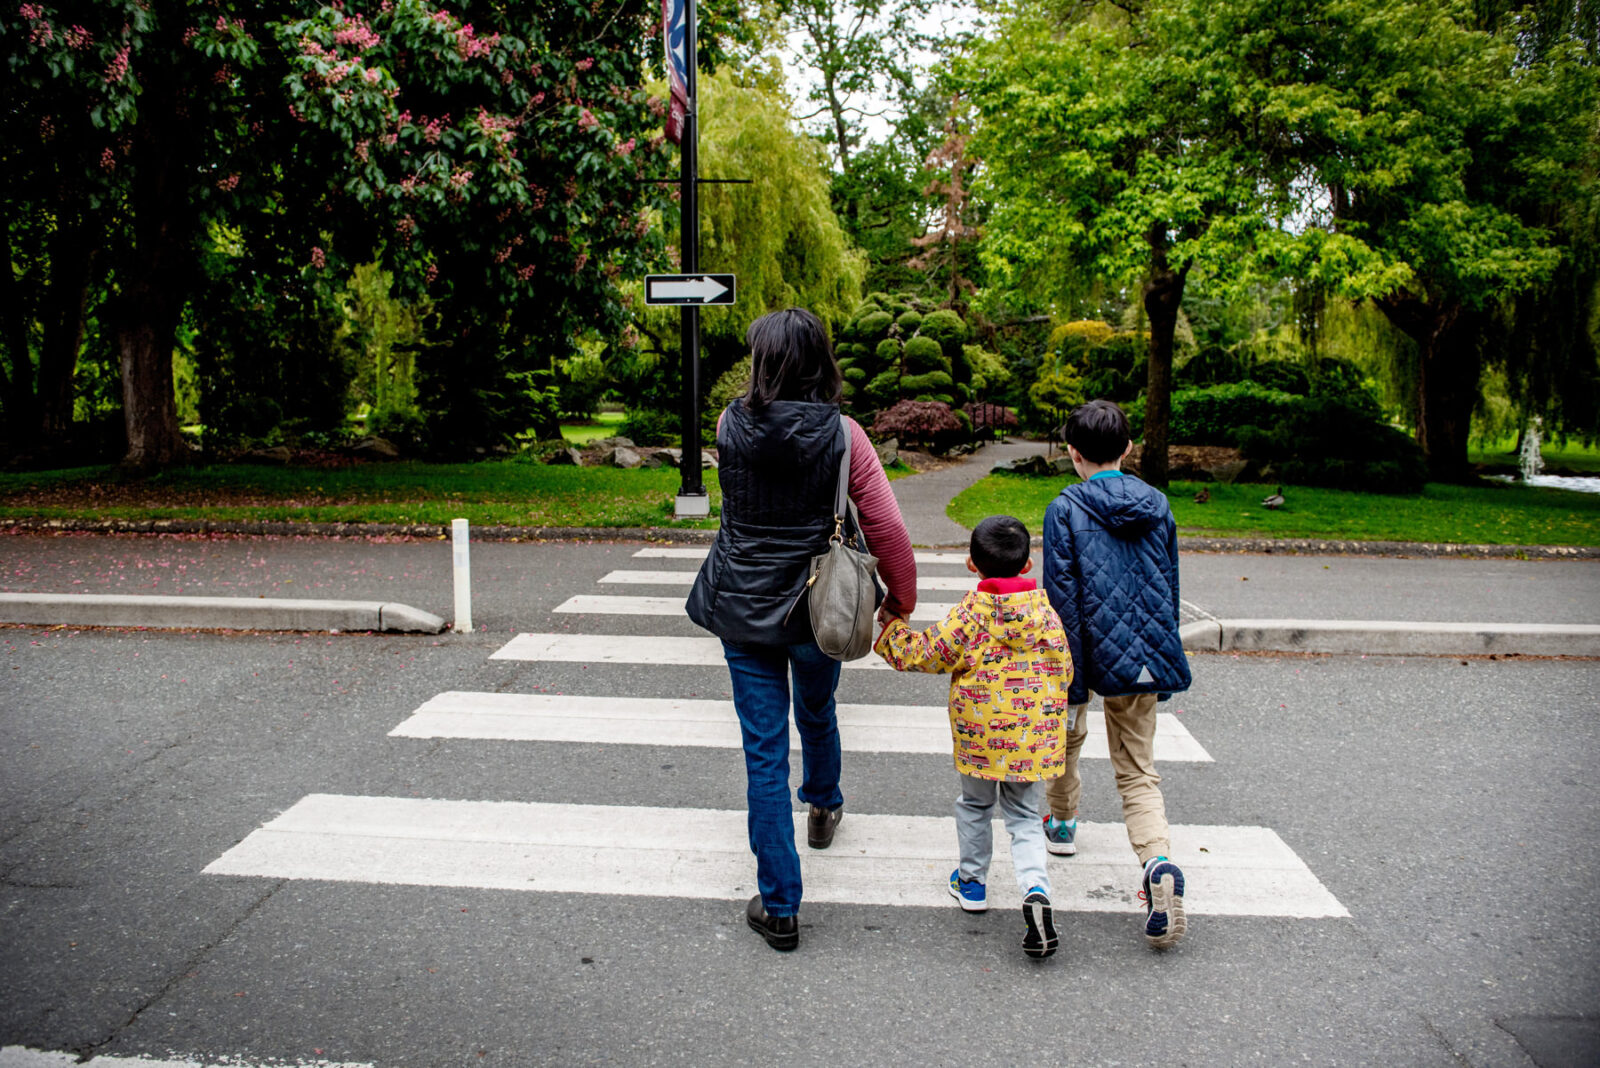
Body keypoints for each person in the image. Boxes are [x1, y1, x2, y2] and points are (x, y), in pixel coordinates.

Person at [685, 307, 917, 952]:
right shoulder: (845, 436)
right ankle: (823, 803)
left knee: (763, 753)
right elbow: (889, 529)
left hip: (743, 606)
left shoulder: (731, 423)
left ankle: (780, 906)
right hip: (822, 608)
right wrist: (902, 599)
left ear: (765, 362)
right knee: (817, 709)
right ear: (821, 360)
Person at [875, 515, 1071, 960]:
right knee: (1023, 813)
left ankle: (973, 882)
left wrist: (890, 631)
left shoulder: (973, 613)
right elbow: (1065, 665)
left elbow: (928, 652)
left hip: (982, 736)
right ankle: (1036, 888)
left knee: (976, 806)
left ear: (971, 565)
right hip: (1032, 738)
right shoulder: (1045, 611)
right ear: (1027, 566)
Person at [1040, 399, 1193, 949]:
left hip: (1083, 652)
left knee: (1065, 744)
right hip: (1144, 655)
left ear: (1073, 454)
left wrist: (1071, 679)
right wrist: (1162, 656)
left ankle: (1060, 824)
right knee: (1137, 767)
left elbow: (1063, 600)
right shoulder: (1158, 504)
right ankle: (1157, 863)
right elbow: (1168, 587)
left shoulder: (1064, 509)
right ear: (1128, 449)